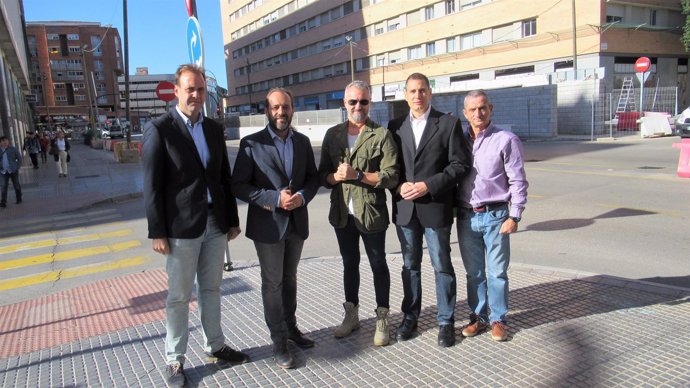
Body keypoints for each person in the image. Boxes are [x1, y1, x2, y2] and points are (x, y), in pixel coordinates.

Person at [142, 64, 249, 388]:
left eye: (201, 90)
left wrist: (231, 219)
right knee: (178, 296)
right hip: (180, 229)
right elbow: (152, 185)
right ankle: (174, 360)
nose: (195, 95)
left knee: (212, 289)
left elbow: (223, 178)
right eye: (190, 89)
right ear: (176, 90)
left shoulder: (214, 129)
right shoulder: (160, 128)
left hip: (215, 223)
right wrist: (157, 231)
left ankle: (215, 345)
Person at [232, 87, 320, 369]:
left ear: (292, 109)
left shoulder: (303, 142)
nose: (281, 112)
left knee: (290, 279)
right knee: (273, 284)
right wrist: (273, 199)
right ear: (267, 111)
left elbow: (312, 179)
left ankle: (291, 328)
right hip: (268, 225)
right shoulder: (250, 144)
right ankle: (278, 341)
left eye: (286, 107)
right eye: (275, 108)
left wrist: (303, 197)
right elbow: (239, 186)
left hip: (297, 222)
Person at [387, 73, 471, 348]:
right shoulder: (394, 126)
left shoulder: (447, 123)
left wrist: (427, 185)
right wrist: (399, 187)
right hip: (405, 210)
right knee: (410, 266)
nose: (417, 96)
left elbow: (459, 165)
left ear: (430, 92)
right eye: (412, 91)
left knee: (442, 266)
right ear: (405, 94)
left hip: (435, 207)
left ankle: (446, 322)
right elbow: (390, 167)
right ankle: (410, 317)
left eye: (422, 90)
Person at [318, 80, 399, 346]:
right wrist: (334, 177)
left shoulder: (381, 135)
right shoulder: (333, 135)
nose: (358, 106)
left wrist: (358, 175)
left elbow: (391, 176)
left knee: (378, 264)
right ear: (345, 103)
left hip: (371, 213)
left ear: (370, 103)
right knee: (349, 263)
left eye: (363, 101)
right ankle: (351, 316)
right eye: (353, 101)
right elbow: (322, 176)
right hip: (342, 212)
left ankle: (382, 318)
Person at [456, 90, 528, 342]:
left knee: (497, 272)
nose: (478, 113)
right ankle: (478, 317)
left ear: (491, 109)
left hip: (496, 215)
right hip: (466, 216)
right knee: (474, 273)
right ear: (465, 113)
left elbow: (518, 180)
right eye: (473, 109)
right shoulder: (458, 141)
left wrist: (515, 216)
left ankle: (498, 319)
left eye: (483, 108)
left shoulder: (505, 140)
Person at [0, 136, 22, 208]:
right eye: (3, 141)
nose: (5, 142)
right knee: (3, 187)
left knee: (16, 184)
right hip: (3, 171)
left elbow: (19, 159)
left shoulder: (13, 149)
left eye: (6, 140)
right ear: (0, 143)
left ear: (8, 141)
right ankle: (3, 202)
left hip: (13, 170)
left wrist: (17, 167)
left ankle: (19, 198)